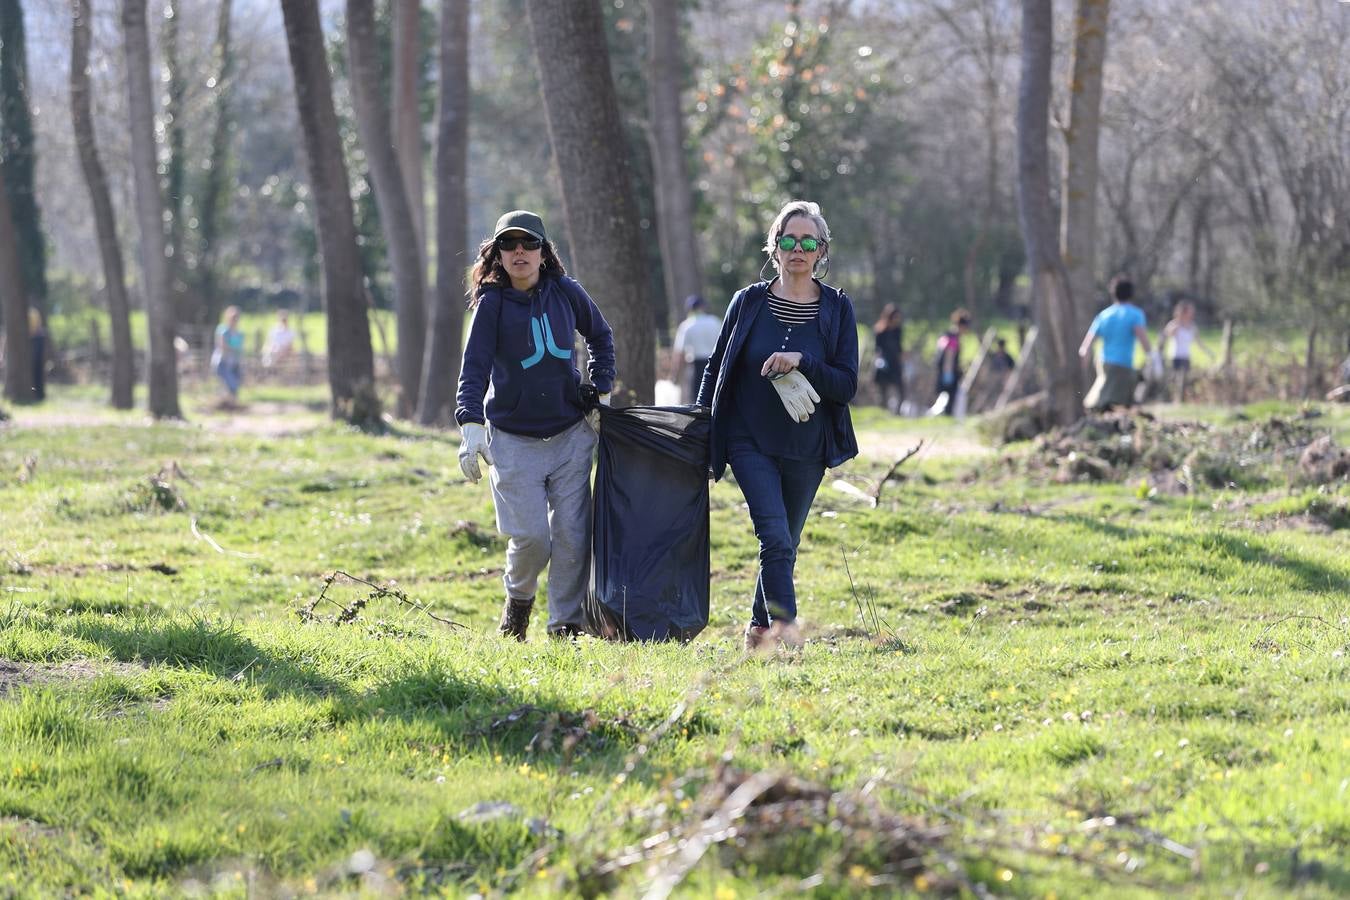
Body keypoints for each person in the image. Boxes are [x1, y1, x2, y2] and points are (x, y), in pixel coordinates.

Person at [696, 199, 858, 651]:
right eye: (788, 240)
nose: (798, 249)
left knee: (784, 541)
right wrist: (699, 421)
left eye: (809, 242)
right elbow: (717, 366)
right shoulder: (747, 302)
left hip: (808, 446)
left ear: (822, 251)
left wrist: (804, 362)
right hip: (748, 440)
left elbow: (846, 385)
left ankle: (757, 630)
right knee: (773, 535)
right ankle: (786, 634)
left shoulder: (837, 309)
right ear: (774, 247)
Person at [455, 210, 616, 642]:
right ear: (498, 254)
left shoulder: (566, 292)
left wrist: (599, 389)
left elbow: (600, 337)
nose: (520, 251)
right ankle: (518, 604)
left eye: (529, 243)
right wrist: (470, 424)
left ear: (544, 252)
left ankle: (565, 626)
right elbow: (474, 370)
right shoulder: (491, 305)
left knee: (571, 537)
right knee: (531, 538)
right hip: (512, 440)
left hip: (570, 436)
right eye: (509, 244)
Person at [1079, 276, 1154, 411]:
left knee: (1104, 391)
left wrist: (1083, 366)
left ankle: (1090, 409)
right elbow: (1142, 338)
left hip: (1103, 363)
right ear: (1131, 294)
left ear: (1113, 294)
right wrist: (1152, 356)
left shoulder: (1104, 315)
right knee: (1116, 403)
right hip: (1123, 365)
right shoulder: (1135, 314)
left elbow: (1086, 346)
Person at [671, 294, 721, 405]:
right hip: (716, 363)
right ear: (703, 307)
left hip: (696, 366)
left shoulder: (687, 325)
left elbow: (680, 353)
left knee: (697, 399)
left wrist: (675, 374)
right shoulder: (715, 321)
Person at [1160, 299, 1209, 402]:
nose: (1192, 314)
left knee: (1185, 381)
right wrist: (1176, 324)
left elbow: (1199, 342)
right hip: (1175, 357)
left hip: (1186, 356)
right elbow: (1165, 336)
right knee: (1174, 380)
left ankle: (1181, 400)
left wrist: (1208, 352)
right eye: (1190, 311)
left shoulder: (1192, 326)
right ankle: (1171, 399)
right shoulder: (1174, 324)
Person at [932, 308, 971, 416]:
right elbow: (949, 356)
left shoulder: (946, 334)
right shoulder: (953, 338)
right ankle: (946, 416)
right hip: (948, 372)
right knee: (949, 398)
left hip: (943, 371)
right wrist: (948, 373)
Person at [872, 303, 904, 414]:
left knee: (900, 391)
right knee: (883, 391)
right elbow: (877, 349)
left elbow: (899, 348)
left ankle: (897, 413)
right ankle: (883, 413)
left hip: (895, 363)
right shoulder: (880, 330)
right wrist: (879, 361)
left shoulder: (898, 330)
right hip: (884, 364)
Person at [211, 305, 245, 406]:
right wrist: (233, 349)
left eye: (236, 318)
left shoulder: (239, 333)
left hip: (234, 362)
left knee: (236, 383)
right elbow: (222, 345)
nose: (235, 320)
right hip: (222, 362)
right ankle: (226, 403)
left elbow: (240, 350)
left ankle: (232, 403)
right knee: (231, 383)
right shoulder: (223, 330)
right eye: (233, 318)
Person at [28, 308, 46, 402]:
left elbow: (35, 328)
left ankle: (39, 394)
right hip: (34, 339)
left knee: (37, 368)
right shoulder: (32, 312)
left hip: (37, 339)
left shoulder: (33, 312)